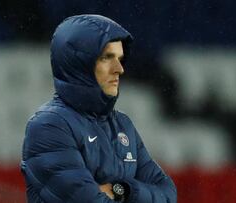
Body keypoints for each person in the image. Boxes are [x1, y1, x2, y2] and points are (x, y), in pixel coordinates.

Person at [20, 14, 177, 203]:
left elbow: (167, 193)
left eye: (120, 58)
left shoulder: (122, 124)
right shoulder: (49, 126)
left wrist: (123, 190)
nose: (119, 68)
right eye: (107, 57)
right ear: (79, 64)